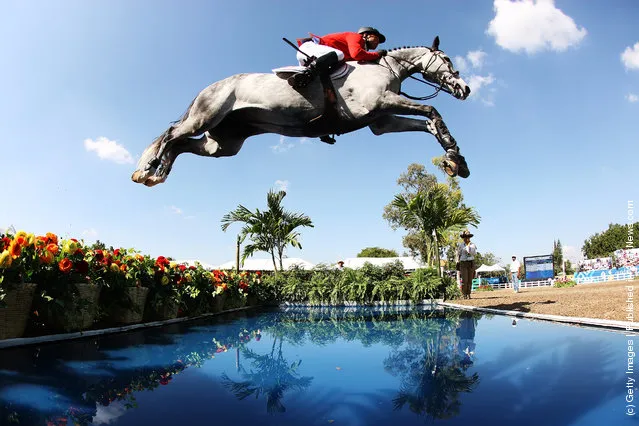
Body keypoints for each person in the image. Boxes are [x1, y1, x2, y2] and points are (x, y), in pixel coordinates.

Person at [289, 27, 388, 88]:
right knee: (339, 55)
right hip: (309, 49)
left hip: (316, 59)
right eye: (376, 37)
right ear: (365, 35)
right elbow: (357, 54)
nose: (377, 42)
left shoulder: (358, 48)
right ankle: (306, 75)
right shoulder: (356, 37)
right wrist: (377, 54)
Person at [456, 230, 477, 299]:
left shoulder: (473, 245)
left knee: (470, 280)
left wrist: (469, 249)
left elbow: (474, 254)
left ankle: (468, 294)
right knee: (465, 280)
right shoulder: (461, 245)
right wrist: (457, 262)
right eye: (465, 237)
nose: (466, 238)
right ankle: (464, 294)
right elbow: (458, 254)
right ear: (463, 238)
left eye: (468, 237)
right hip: (463, 263)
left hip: (471, 262)